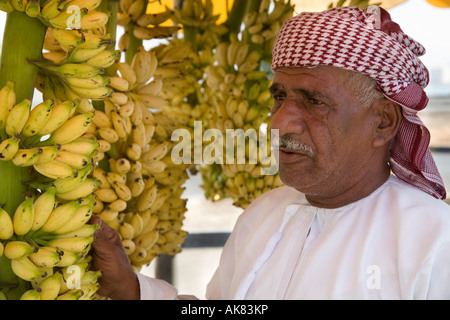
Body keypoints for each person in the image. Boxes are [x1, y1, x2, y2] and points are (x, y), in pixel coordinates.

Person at [89, 5, 450, 300]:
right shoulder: (262, 215)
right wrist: (131, 290)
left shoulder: (434, 241)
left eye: (314, 101)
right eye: (279, 97)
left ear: (383, 123)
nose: (280, 123)